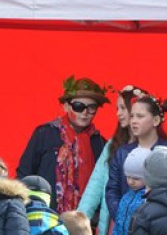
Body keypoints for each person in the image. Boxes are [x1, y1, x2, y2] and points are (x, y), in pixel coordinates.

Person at [17, 75, 109, 213]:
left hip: (85, 222)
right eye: (78, 106)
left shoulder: (100, 143)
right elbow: (24, 175)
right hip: (45, 217)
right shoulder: (45, 134)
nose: (85, 112)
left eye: (91, 107)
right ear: (66, 106)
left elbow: (104, 185)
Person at [80, 85, 148, 235]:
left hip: (141, 224)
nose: (118, 113)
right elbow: (96, 184)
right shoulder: (113, 145)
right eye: (117, 108)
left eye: (123, 108)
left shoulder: (153, 145)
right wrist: (80, 220)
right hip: (113, 223)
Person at [106, 94, 167, 222]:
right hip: (126, 224)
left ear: (156, 121)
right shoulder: (122, 153)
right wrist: (122, 216)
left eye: (140, 116)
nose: (133, 121)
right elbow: (112, 190)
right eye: (132, 116)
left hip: (160, 225)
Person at [109, 147, 151, 235]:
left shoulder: (147, 199)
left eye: (136, 178)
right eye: (128, 177)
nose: (131, 181)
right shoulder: (126, 197)